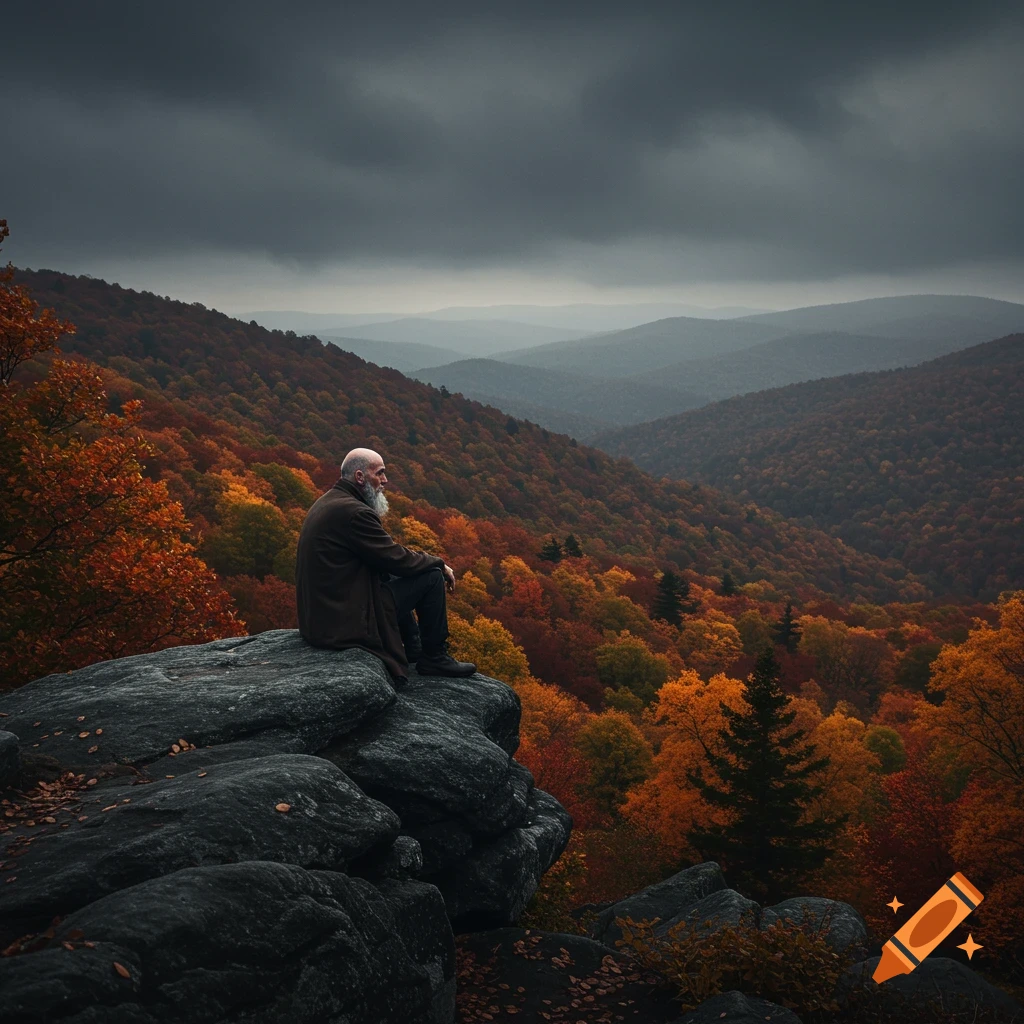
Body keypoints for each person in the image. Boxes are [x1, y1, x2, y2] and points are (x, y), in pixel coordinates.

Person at [295, 447, 476, 681]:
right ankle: (435, 658)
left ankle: (414, 647)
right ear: (360, 477)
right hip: (342, 624)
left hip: (321, 620)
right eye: (379, 473)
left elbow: (384, 557)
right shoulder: (354, 512)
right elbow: (398, 560)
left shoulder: (331, 501)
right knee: (430, 576)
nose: (385, 480)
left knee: (389, 574)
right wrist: (439, 563)